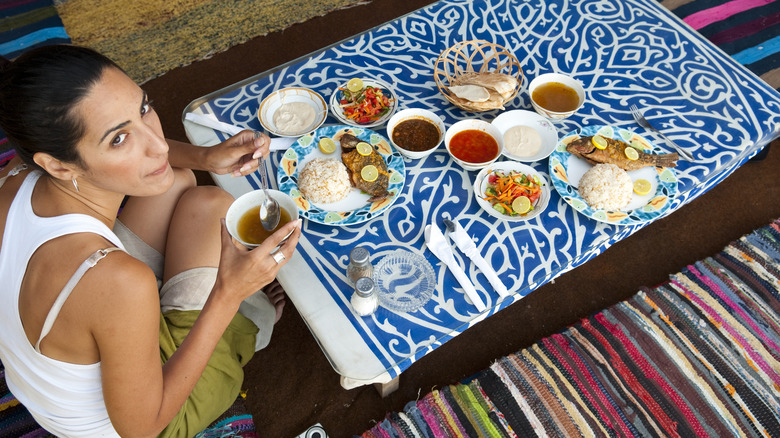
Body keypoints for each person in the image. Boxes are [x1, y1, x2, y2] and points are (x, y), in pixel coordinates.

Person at [0, 44, 302, 437]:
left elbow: (156, 156)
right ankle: (250, 323)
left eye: (144, 108)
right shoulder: (118, 280)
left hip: (50, 364)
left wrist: (205, 157)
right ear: (56, 164)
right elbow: (142, 429)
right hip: (128, 420)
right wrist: (230, 292)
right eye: (119, 140)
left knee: (183, 186)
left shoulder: (15, 176)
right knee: (214, 220)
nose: (158, 144)